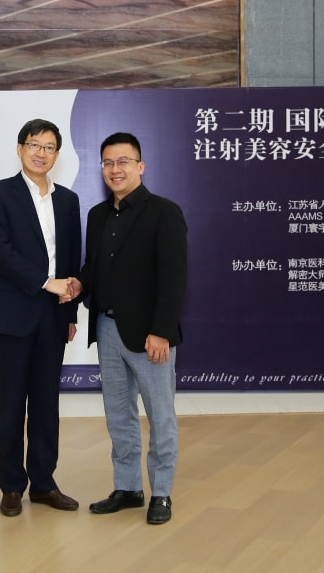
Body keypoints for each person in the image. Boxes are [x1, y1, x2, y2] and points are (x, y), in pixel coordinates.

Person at [69, 132, 188, 525]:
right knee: (118, 415)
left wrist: (162, 331)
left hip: (150, 335)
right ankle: (128, 488)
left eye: (123, 161)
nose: (115, 169)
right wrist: (78, 285)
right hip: (107, 327)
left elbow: (174, 278)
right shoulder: (97, 215)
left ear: (140, 166)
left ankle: (162, 493)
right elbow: (94, 268)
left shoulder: (164, 212)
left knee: (160, 416)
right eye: (108, 163)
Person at [0, 118, 82, 517]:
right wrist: (46, 283)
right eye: (34, 145)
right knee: (11, 404)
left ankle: (43, 484)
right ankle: (11, 486)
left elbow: (71, 257)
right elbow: (0, 251)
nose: (41, 153)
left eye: (49, 147)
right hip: (12, 314)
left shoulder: (68, 200)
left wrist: (70, 310)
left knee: (45, 403)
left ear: (57, 154)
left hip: (54, 316)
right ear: (20, 148)